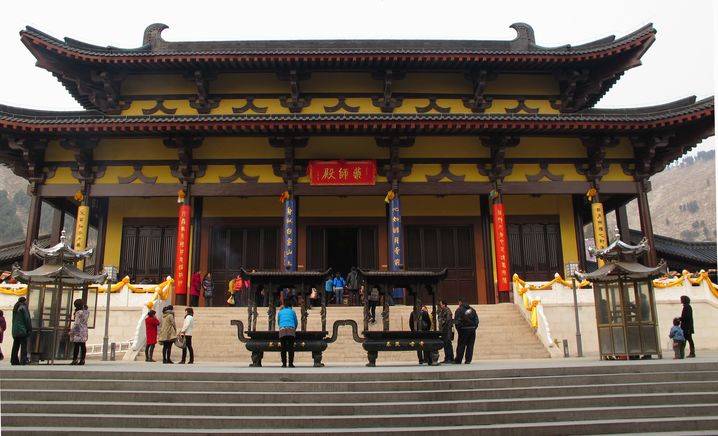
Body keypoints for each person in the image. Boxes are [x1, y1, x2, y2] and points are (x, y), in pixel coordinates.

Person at [277, 297, 298, 368]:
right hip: (291, 329)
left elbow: (278, 321)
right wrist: (294, 328)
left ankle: (284, 364)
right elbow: (295, 321)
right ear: (290, 306)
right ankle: (291, 363)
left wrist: (281, 326)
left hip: (282, 329)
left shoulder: (280, 312)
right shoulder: (292, 312)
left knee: (283, 347)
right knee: (290, 347)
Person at [11, 296, 32, 365]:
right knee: (23, 346)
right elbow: (27, 319)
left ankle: (14, 361)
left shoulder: (15, 307)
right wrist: (29, 328)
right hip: (22, 330)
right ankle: (23, 360)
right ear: (24, 301)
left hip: (15, 330)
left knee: (15, 346)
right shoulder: (23, 307)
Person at [69, 299, 89, 365]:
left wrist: (71, 331)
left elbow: (76, 323)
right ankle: (82, 359)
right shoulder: (86, 312)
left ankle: (75, 359)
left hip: (78, 330)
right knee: (83, 345)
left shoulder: (78, 313)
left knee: (76, 345)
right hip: (84, 329)